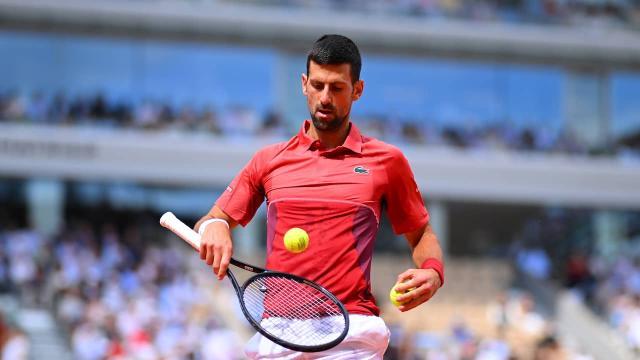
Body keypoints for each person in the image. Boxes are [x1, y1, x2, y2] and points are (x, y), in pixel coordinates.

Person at [195, 34, 444, 359]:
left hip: (351, 333)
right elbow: (213, 220)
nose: (325, 97)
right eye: (317, 85)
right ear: (304, 84)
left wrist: (433, 271)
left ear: (357, 90)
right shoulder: (268, 160)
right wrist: (213, 226)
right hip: (279, 333)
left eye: (337, 87)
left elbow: (421, 233)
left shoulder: (388, 161)